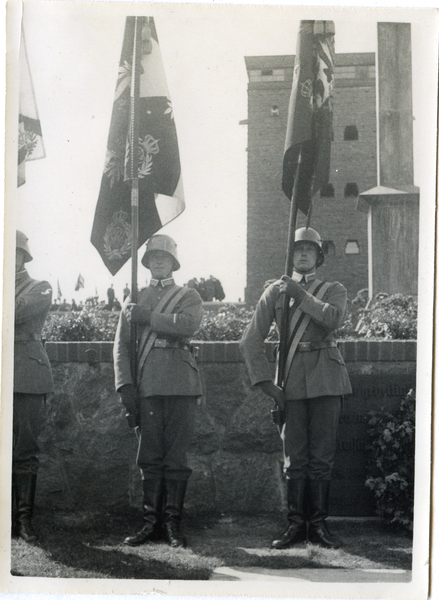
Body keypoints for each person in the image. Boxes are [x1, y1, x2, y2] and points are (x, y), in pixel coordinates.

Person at [240, 227, 352, 549]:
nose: (303, 254)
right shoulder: (274, 293)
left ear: (319, 257)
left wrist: (300, 295)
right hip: (289, 383)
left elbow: (332, 318)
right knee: (295, 458)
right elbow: (249, 341)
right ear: (290, 255)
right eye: (297, 249)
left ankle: (318, 525)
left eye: (309, 250)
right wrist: (266, 384)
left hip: (327, 380)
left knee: (322, 458)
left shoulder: (334, 289)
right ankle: (294, 526)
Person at [113, 234, 203, 548]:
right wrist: (125, 384)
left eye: (165, 256)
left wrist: (148, 317)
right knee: (149, 457)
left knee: (176, 457)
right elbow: (122, 347)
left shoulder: (188, 294)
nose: (159, 260)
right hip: (147, 383)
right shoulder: (134, 297)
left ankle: (172, 524)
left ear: (174, 261)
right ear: (147, 263)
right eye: (154, 257)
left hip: (181, 382)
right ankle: (150, 523)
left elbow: (189, 324)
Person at [13, 231, 54, 542]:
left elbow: (14, 310)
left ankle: (24, 520)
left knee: (25, 449)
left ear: (24, 257)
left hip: (27, 372)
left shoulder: (40, 287)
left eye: (14, 252)